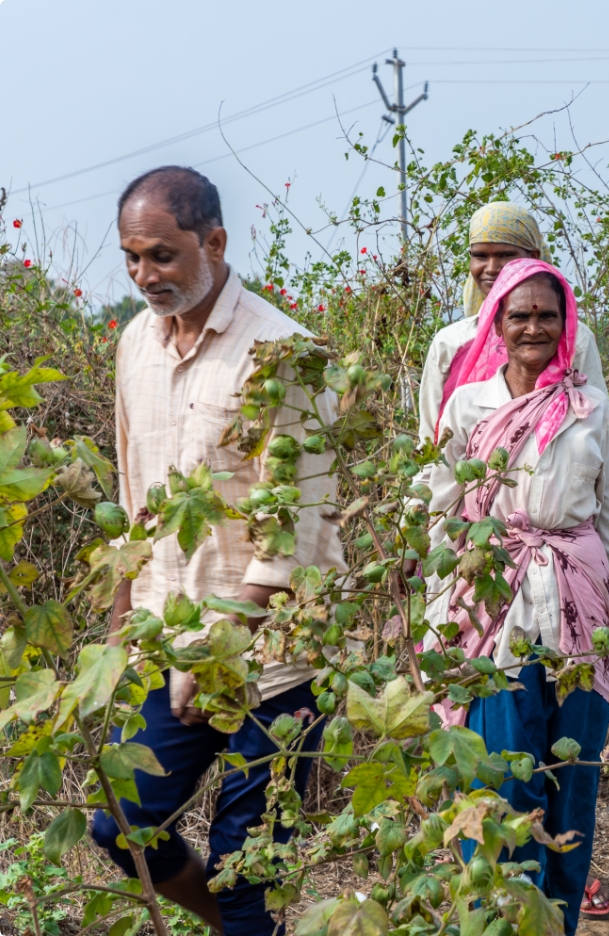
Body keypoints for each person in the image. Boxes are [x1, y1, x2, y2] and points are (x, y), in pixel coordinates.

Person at [90, 166, 346, 936]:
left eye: (162, 256)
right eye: (132, 258)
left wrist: (220, 654)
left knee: (248, 872)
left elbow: (298, 533)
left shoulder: (283, 352)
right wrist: (119, 627)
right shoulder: (134, 345)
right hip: (167, 643)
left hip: (275, 659)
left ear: (215, 242)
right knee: (121, 827)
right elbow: (134, 499)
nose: (145, 275)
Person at [423, 257, 609, 934]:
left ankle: (558, 924)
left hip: (583, 612)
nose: (534, 328)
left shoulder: (590, 407)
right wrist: (438, 630)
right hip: (492, 608)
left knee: (571, 788)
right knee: (501, 784)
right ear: (496, 323)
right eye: (519, 315)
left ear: (566, 324)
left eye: (548, 315)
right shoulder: (467, 406)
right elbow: (441, 518)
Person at [416, 201, 606, 447]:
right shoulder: (450, 341)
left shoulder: (572, 339)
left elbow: (597, 424)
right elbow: (430, 437)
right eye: (480, 256)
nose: (491, 268)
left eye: (506, 255)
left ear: (533, 257)